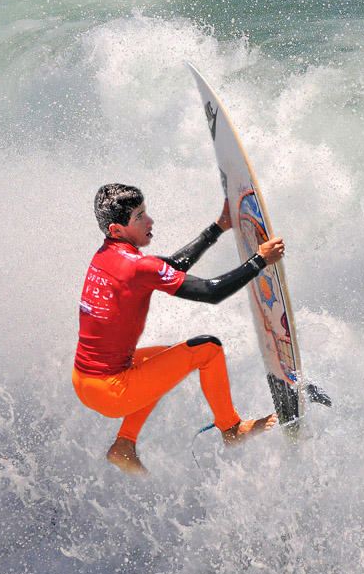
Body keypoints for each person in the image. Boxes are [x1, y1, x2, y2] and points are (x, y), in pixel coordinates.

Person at [72, 183, 284, 476]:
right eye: (139, 217)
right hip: (112, 391)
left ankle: (124, 444)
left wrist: (218, 227)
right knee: (207, 349)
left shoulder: (107, 256)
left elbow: (171, 266)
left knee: (162, 359)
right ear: (116, 229)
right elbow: (211, 292)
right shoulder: (137, 267)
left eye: (146, 212)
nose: (150, 221)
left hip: (84, 380)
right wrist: (259, 261)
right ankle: (232, 428)